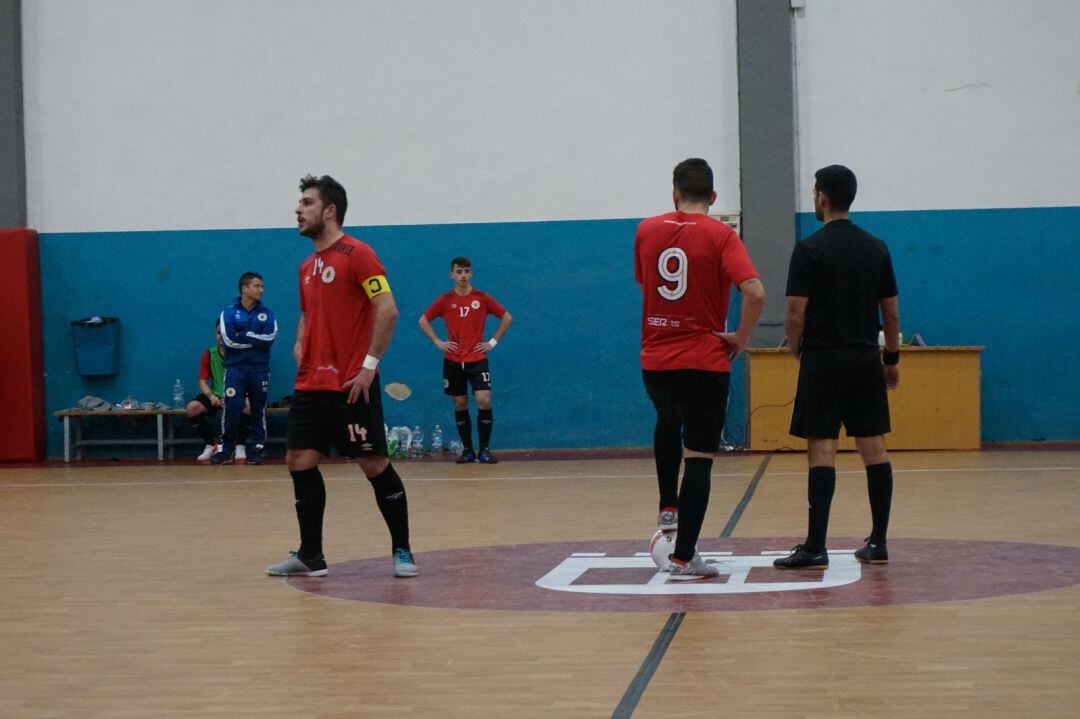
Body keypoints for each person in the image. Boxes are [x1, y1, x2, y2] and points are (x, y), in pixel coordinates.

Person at [265, 174, 417, 579]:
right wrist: (301, 342)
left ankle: (402, 550)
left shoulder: (359, 254)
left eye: (307, 203)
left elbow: (388, 310)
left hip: (351, 384)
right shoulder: (305, 267)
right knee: (299, 460)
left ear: (329, 211)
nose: (298, 210)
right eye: (299, 203)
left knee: (373, 464)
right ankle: (311, 556)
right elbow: (306, 313)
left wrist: (368, 367)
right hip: (310, 384)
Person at [636, 158, 765, 580]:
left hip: (656, 360)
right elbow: (755, 292)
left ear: (674, 192)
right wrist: (740, 339)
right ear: (712, 197)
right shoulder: (722, 235)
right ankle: (684, 556)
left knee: (666, 419)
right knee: (700, 457)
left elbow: (647, 284)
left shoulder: (647, 230)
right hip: (705, 361)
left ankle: (666, 504)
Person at [773, 164, 900, 570]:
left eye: (814, 192)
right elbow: (892, 314)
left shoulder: (808, 249)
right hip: (865, 358)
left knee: (821, 448)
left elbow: (795, 313)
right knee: (874, 447)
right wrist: (891, 358)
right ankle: (878, 541)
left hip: (824, 359)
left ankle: (815, 546)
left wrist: (798, 351)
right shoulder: (876, 247)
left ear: (822, 197)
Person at [419, 257, 513, 463]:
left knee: (484, 399)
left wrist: (492, 342)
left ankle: (485, 450)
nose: (463, 275)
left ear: (471, 274)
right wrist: (438, 341)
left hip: (477, 358)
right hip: (453, 359)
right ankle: (468, 450)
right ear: (451, 274)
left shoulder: (482, 298)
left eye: (466, 271)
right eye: (459, 271)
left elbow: (507, 317)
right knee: (459, 402)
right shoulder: (445, 300)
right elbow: (423, 320)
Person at [210, 273, 276, 466]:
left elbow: (269, 339)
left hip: (259, 369)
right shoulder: (228, 313)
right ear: (245, 288)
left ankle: (255, 449)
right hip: (235, 369)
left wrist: (244, 334)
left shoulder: (267, 313)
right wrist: (255, 339)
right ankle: (226, 449)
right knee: (232, 408)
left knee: (258, 409)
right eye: (257, 286)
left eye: (262, 286)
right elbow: (228, 340)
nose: (261, 290)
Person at [188, 324, 251, 462]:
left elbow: (248, 379)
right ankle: (211, 445)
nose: (220, 336)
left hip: (236, 394)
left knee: (248, 405)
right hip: (216, 395)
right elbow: (203, 381)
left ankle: (240, 445)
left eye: (224, 333)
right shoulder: (209, 354)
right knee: (193, 407)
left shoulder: (241, 353)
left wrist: (238, 396)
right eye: (218, 332)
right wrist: (211, 397)